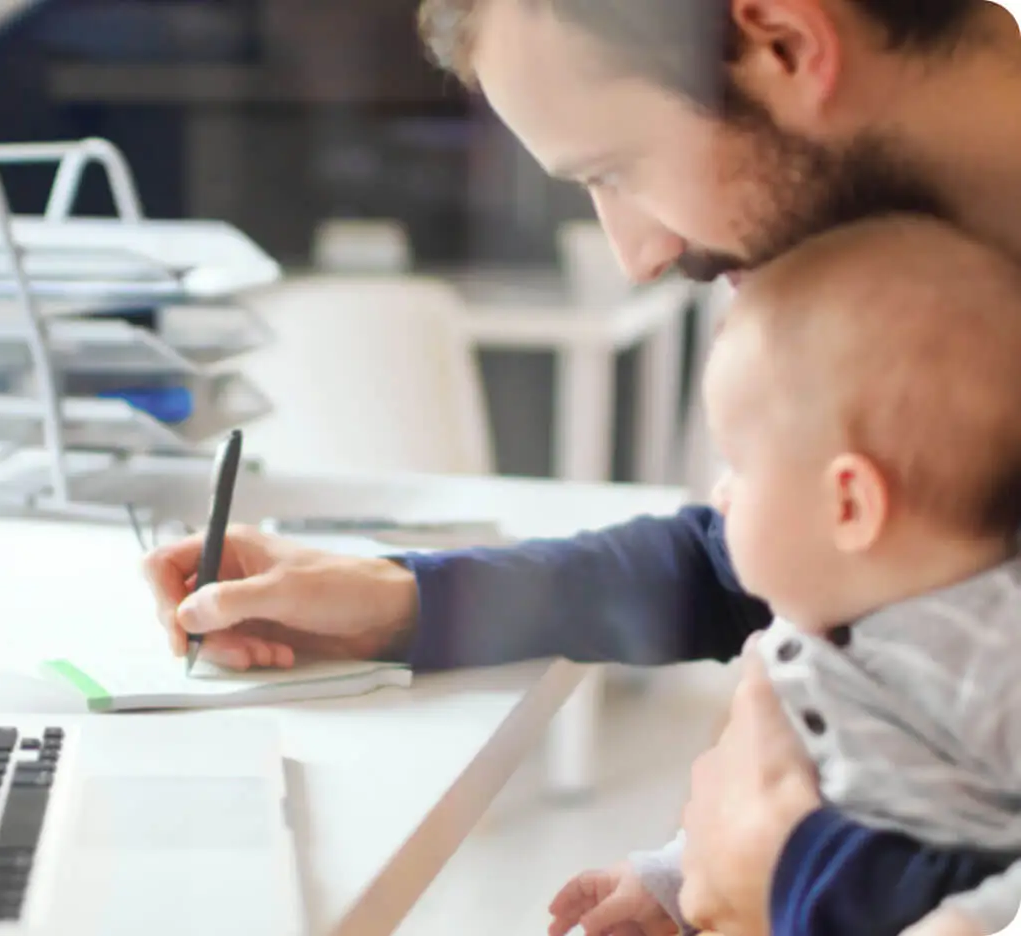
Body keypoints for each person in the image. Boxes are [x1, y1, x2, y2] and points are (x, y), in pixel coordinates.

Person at [141, 1, 1021, 932]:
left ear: (784, 43)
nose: (638, 255)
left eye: (617, 168)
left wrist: (789, 876)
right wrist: (410, 601)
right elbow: (735, 569)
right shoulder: (944, 288)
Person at [547, 215, 1021, 936]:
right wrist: (669, 880)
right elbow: (766, 805)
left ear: (850, 504)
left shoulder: (989, 648)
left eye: (740, 464)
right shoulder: (814, 634)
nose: (721, 496)